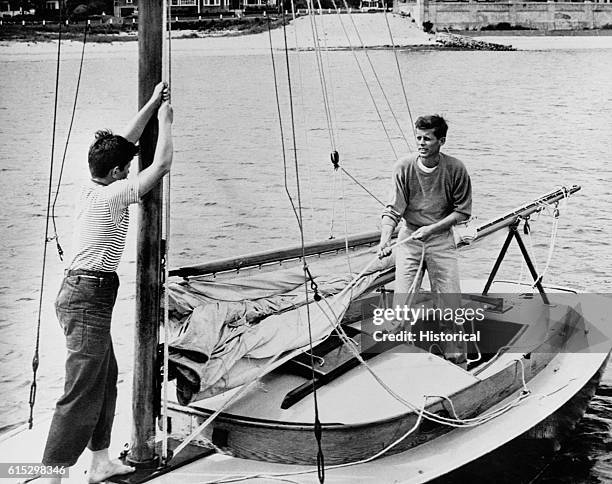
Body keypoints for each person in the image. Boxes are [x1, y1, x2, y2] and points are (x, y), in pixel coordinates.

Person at [40, 82, 174, 484]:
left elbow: (125, 143)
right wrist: (166, 121)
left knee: (106, 379)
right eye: (126, 168)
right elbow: (162, 164)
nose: (129, 170)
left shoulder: (90, 184)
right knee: (80, 389)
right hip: (86, 295)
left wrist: (151, 103)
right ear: (116, 174)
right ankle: (51, 475)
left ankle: (99, 462)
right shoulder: (113, 196)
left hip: (87, 294)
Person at [377, 114, 472, 365]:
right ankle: (400, 357)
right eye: (418, 137)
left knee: (449, 301)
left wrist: (432, 230)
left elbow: (462, 211)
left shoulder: (455, 169)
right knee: (402, 302)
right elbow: (393, 210)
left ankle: (457, 360)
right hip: (410, 238)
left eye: (427, 139)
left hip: (440, 240)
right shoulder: (404, 167)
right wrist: (385, 239)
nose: (421, 143)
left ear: (441, 141)